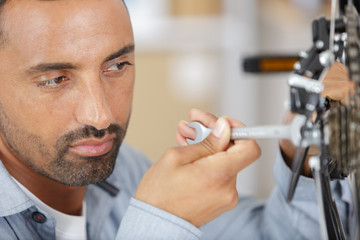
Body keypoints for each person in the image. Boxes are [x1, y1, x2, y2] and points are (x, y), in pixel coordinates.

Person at [0, 0, 354, 239]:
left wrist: (304, 156)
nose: (101, 116)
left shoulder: (123, 172)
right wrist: (161, 221)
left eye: (117, 65)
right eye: (55, 79)